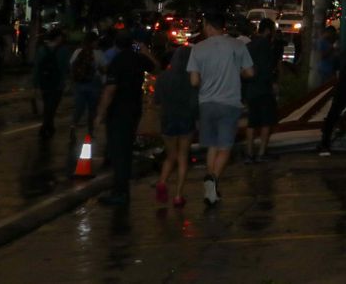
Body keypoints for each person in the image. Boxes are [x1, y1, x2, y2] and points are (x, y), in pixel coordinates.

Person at [187, 12, 253, 206]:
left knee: (212, 145)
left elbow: (194, 81)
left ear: (208, 26)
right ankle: (213, 179)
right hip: (229, 103)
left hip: (206, 103)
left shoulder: (197, 48)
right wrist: (236, 72)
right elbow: (250, 72)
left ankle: (211, 185)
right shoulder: (237, 45)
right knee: (225, 147)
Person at [96, 31, 157, 206]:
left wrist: (100, 114)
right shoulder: (137, 59)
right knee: (125, 152)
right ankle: (121, 191)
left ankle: (120, 192)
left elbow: (110, 90)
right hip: (134, 109)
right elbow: (156, 67)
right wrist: (144, 51)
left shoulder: (118, 61)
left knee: (119, 154)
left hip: (118, 112)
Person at [154, 45, 197, 207]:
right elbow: (195, 101)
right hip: (186, 119)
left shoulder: (163, 77)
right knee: (183, 157)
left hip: (168, 120)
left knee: (170, 156)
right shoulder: (191, 78)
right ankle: (178, 195)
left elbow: (157, 101)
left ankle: (162, 182)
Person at [242, 20, 280, 164]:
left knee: (252, 122)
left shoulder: (249, 45)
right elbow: (267, 68)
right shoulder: (265, 45)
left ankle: (249, 153)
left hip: (251, 88)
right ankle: (261, 153)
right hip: (263, 88)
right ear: (269, 30)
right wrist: (273, 83)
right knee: (266, 121)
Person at [34, 28, 66, 139]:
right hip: (57, 83)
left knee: (47, 104)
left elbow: (37, 68)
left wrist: (36, 84)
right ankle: (46, 126)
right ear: (58, 37)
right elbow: (64, 69)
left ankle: (48, 125)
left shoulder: (42, 50)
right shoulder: (63, 51)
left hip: (44, 82)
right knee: (52, 106)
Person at [69, 31, 103, 132]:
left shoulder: (77, 52)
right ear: (94, 42)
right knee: (92, 108)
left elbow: (72, 65)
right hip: (94, 83)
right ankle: (90, 130)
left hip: (80, 83)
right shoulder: (98, 53)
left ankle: (73, 126)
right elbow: (105, 68)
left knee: (79, 107)